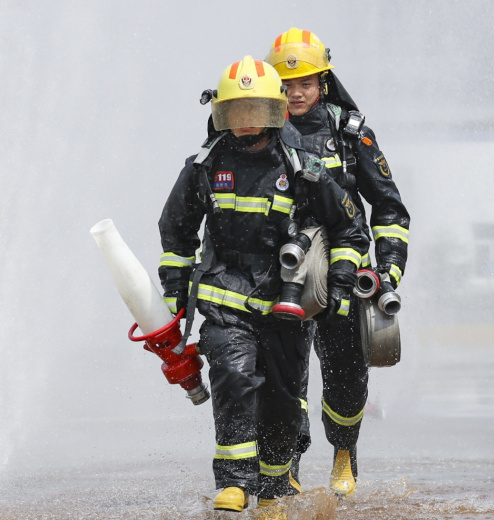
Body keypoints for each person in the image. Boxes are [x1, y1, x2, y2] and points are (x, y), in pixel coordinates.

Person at [158, 55, 368, 512]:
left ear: (274, 111)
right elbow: (176, 232)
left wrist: (339, 283)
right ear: (221, 113)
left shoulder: (304, 166)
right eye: (237, 111)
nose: (246, 121)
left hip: (285, 308)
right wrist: (174, 295)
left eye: (255, 110)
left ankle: (273, 492)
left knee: (283, 403)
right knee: (234, 379)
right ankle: (234, 482)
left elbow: (349, 229)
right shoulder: (204, 166)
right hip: (225, 302)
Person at [264, 28, 411, 498]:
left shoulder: (350, 135)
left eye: (305, 83)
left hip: (344, 273)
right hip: (282, 274)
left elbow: (389, 209)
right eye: (286, 85)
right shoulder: (259, 134)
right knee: (283, 376)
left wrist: (388, 271)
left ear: (323, 82)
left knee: (346, 374)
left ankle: (344, 452)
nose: (296, 93)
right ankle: (288, 462)